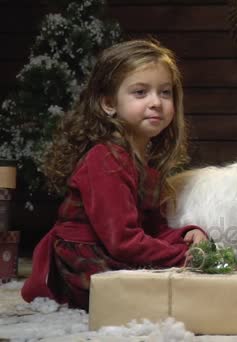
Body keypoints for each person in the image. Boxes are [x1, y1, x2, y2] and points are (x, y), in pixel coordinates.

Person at [21, 40, 208, 310]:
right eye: (141, 92)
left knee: (190, 285)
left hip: (117, 248)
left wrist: (185, 236)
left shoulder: (147, 163)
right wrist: (182, 256)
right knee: (159, 299)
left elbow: (151, 230)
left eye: (165, 93)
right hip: (85, 261)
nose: (156, 102)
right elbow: (123, 241)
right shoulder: (105, 159)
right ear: (109, 104)